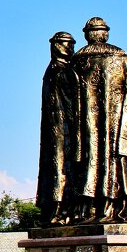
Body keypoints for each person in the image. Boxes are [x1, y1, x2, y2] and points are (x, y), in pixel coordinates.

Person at [70, 17, 127, 222]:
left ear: (87, 35)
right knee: (124, 163)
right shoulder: (125, 60)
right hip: (121, 125)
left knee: (91, 162)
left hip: (89, 129)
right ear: (106, 34)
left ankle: (93, 209)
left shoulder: (77, 63)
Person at [37, 31, 79, 224]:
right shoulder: (59, 70)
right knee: (61, 167)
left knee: (58, 166)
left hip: (56, 129)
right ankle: (61, 210)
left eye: (71, 44)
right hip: (62, 130)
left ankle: (59, 210)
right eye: (64, 44)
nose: (69, 48)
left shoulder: (55, 69)